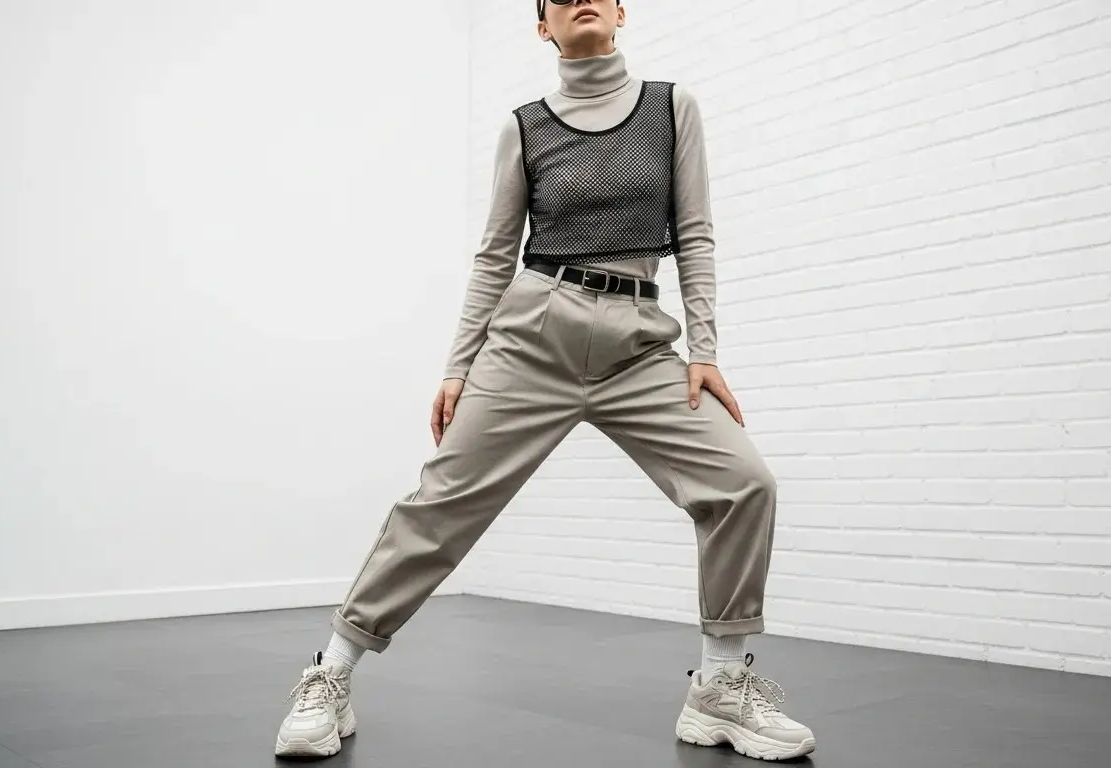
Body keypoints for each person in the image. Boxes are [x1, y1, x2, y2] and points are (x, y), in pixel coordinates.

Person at [273, 0, 816, 761]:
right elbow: (496, 254)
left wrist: (706, 349)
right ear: (544, 28)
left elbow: (693, 233)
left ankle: (720, 689)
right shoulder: (524, 127)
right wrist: (459, 366)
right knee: (440, 505)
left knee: (744, 482)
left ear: (622, 12)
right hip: (531, 338)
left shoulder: (670, 107)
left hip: (636, 345)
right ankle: (329, 674)